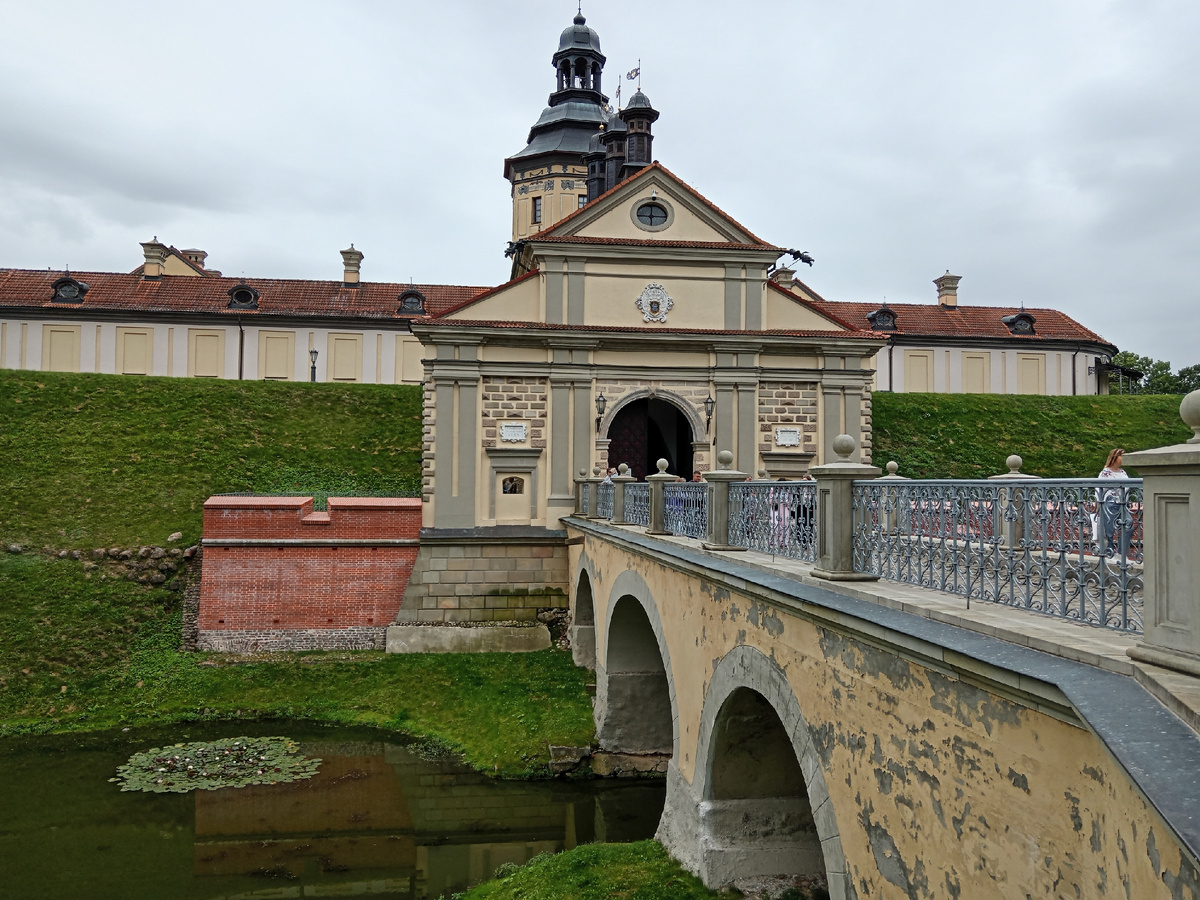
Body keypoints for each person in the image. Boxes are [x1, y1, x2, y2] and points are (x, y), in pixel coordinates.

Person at [1097, 448, 1131, 558]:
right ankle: (1109, 554)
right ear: (1115, 458)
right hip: (1110, 503)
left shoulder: (1122, 472)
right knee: (1109, 531)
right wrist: (1099, 505)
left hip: (1123, 503)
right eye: (1122, 456)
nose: (1124, 459)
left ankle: (1121, 554)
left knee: (1128, 525)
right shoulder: (1105, 473)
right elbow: (1099, 488)